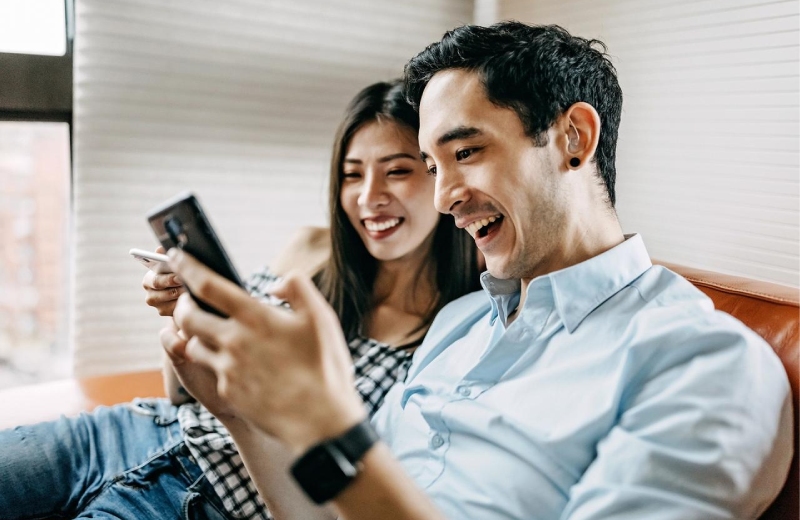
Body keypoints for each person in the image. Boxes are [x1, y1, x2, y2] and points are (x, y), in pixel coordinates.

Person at [163, 22, 794, 520]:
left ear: (573, 138)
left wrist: (331, 425)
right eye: (434, 167)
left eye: (466, 152)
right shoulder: (458, 322)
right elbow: (328, 513)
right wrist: (237, 411)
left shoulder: (704, 363)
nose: (441, 199)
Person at [0, 80, 481, 519]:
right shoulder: (308, 251)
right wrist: (185, 315)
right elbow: (183, 393)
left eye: (397, 171)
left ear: (438, 175)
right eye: (352, 175)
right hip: (131, 431)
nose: (369, 197)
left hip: (205, 503)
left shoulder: (456, 327)